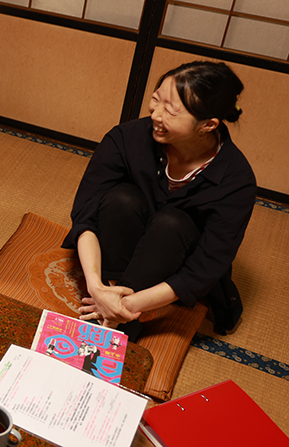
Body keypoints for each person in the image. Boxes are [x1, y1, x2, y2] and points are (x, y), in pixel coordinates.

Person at [63, 61, 255, 340]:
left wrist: (125, 307)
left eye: (171, 110)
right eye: (156, 100)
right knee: (121, 199)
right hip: (120, 251)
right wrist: (96, 287)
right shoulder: (126, 138)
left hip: (173, 267)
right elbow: (86, 213)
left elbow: (208, 263)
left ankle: (121, 319)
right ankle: (113, 289)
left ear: (208, 125)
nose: (155, 114)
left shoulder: (236, 179)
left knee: (171, 222)